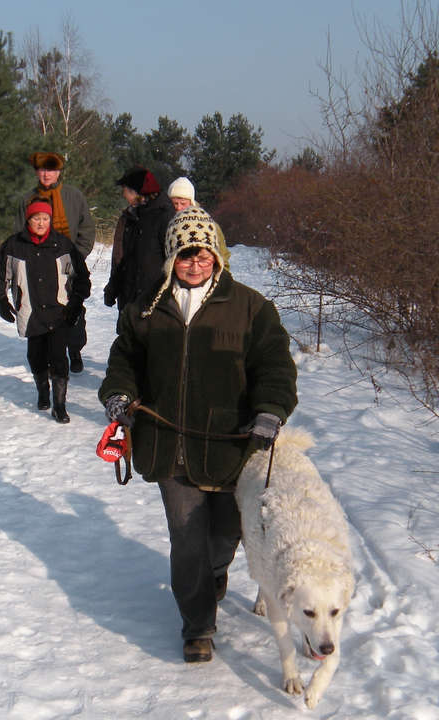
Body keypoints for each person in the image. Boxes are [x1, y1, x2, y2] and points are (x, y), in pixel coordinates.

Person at [98, 206, 298, 663]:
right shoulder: (146, 308)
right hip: (168, 445)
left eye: (204, 253)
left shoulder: (251, 308)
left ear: (217, 256)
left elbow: (275, 366)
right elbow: (123, 361)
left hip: (230, 446)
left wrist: (269, 411)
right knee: (187, 538)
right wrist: (120, 395)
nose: (196, 263)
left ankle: (214, 575)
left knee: (225, 535)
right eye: (187, 254)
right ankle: (198, 627)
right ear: (172, 258)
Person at [0, 197, 91, 423]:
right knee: (35, 356)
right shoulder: (14, 246)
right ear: (29, 219)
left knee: (59, 357)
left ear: (50, 220)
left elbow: (82, 277)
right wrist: (1, 300)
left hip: (59, 312)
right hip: (30, 310)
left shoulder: (63, 245)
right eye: (37, 218)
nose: (41, 223)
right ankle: (43, 392)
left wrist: (75, 303)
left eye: (45, 218)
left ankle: (59, 405)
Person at [21, 151, 93, 373]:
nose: (46, 174)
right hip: (39, 267)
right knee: (43, 309)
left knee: (73, 309)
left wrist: (75, 259)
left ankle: (75, 350)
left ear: (58, 172)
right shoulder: (27, 199)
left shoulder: (74, 196)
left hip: (70, 266)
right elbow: (20, 235)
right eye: (42, 170)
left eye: (51, 170)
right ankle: (51, 356)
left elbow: (87, 230)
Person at [103, 166, 174, 315]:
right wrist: (113, 287)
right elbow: (124, 258)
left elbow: (173, 260)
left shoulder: (164, 216)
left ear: (137, 192)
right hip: (130, 301)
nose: (123, 195)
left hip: (155, 305)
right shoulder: (131, 216)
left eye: (125, 190)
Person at [165, 176, 230, 269]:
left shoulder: (209, 225)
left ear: (191, 203)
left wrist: (221, 279)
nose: (178, 208)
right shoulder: (164, 224)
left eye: (183, 203)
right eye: (175, 203)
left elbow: (223, 257)